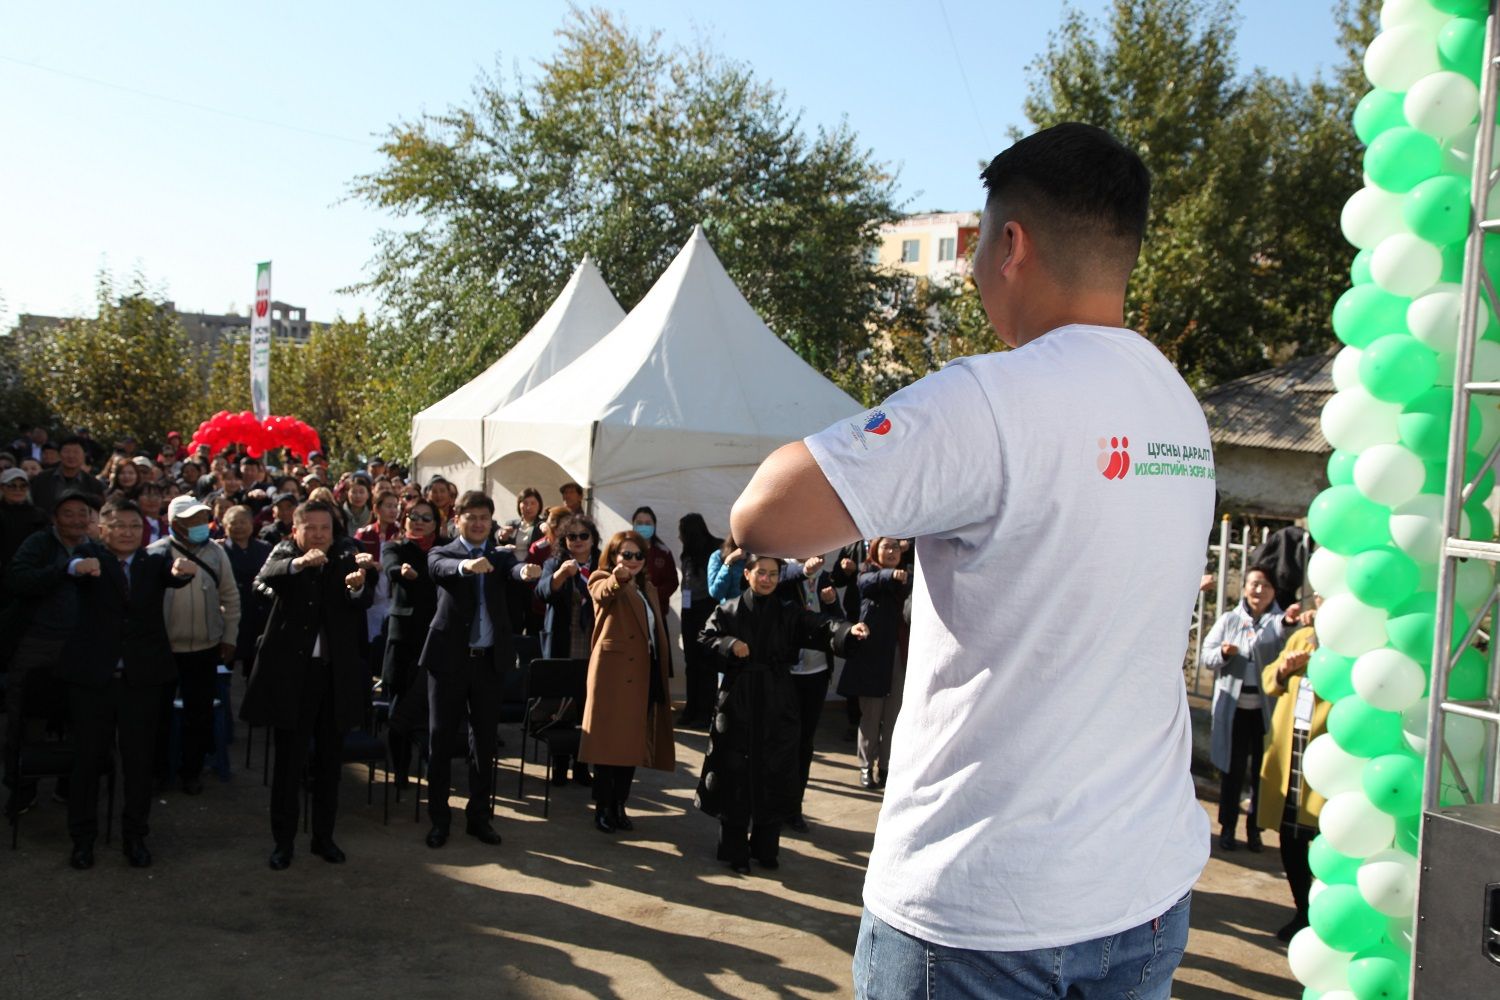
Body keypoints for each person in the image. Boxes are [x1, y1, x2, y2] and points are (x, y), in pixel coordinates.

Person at [728, 124, 1212, 995]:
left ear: (1012, 244)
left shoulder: (992, 397)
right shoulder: (1176, 407)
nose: (975, 265)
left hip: (983, 913)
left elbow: (761, 516)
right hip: (1143, 891)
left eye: (978, 242)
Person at [697, 554, 866, 873]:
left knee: (773, 770)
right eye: (761, 573)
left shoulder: (788, 612)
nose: (767, 580)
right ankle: (734, 850)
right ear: (747, 574)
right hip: (739, 699)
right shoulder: (728, 609)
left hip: (777, 698)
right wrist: (730, 644)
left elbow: (820, 626)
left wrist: (847, 631)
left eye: (773, 574)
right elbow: (704, 638)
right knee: (735, 772)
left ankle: (765, 848)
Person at [60, 499, 197, 870]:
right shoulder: (90, 558)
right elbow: (65, 568)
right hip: (94, 680)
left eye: (134, 526)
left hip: (143, 680)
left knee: (138, 764)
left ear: (144, 531)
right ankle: (82, 840)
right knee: (88, 761)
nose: (126, 532)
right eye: (118, 525)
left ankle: (135, 837)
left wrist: (182, 570)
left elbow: (174, 574)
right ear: (101, 529)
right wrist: (76, 565)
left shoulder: (153, 563)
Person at [240, 500, 375, 869]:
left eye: (325, 529)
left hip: (333, 675)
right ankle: (283, 843)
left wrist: (357, 586)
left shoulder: (348, 555)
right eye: (311, 529)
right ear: (295, 531)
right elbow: (266, 579)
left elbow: (364, 597)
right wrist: (299, 564)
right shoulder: (285, 557)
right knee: (289, 764)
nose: (318, 535)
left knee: (330, 764)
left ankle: (323, 838)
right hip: (292, 678)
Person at [419, 490, 541, 849]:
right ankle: (440, 819)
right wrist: (465, 567)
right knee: (441, 740)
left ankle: (479, 817)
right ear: (457, 520)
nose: (477, 523)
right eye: (470, 517)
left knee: (484, 742)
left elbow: (514, 569)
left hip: (489, 663)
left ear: (491, 522)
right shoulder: (443, 552)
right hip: (449, 662)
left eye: (484, 518)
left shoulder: (498, 557)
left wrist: (526, 571)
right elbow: (439, 569)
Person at [2, 490, 100, 817]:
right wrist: (65, 570)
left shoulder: (97, 548)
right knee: (25, 718)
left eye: (82, 513)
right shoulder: (38, 543)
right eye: (68, 513)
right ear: (55, 517)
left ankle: (68, 784)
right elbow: (18, 579)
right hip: (37, 642)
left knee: (77, 717)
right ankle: (21, 787)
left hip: (81, 644)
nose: (76, 519)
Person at [580, 530, 676, 834]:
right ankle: (603, 808)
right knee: (609, 748)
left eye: (638, 555)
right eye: (626, 555)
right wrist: (617, 578)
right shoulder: (603, 578)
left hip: (643, 677)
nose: (632, 561)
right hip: (613, 677)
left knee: (630, 747)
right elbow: (600, 593)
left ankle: (619, 805)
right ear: (614, 557)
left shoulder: (647, 586)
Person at [1202, 564, 1299, 852]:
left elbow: (1287, 634)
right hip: (1233, 711)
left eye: (1266, 586)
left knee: (1262, 772)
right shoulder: (1230, 620)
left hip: (1266, 713)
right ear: (1245, 587)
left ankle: (1255, 831)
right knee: (1232, 771)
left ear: (1273, 592)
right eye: (1255, 584)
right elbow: (1206, 655)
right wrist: (1223, 653)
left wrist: (1291, 623)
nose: (1259, 591)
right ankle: (1228, 828)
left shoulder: (1280, 623)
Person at [149, 494, 241, 796]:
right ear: (174, 524)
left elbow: (230, 596)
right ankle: (160, 771)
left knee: (198, 713)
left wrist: (229, 637)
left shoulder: (215, 552)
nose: (201, 524)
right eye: (192, 521)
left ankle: (192, 770)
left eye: (203, 518)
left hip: (205, 647)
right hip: (164, 649)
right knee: (159, 714)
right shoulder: (156, 553)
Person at [1257, 598, 1324, 943]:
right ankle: (1302, 910)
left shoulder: (1355, 649)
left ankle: (1327, 913)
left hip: (1325, 761)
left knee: (1323, 840)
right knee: (1290, 838)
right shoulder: (1303, 636)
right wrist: (1285, 668)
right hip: (1290, 752)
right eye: (1321, 599)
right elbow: (1270, 678)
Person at [837, 537, 912, 790]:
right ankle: (865, 766)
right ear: (874, 551)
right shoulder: (868, 573)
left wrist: (899, 577)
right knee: (871, 715)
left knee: (893, 716)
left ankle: (887, 766)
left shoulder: (907, 577)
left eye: (894, 547)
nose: (891, 551)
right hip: (871, 655)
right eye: (885, 547)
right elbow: (865, 583)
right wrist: (890, 575)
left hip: (898, 654)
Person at [535, 512, 601, 786]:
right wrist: (561, 575)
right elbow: (541, 592)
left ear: (592, 539)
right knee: (562, 707)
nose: (577, 541)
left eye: (583, 536)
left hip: (592, 643)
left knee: (588, 707)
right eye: (571, 536)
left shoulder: (602, 564)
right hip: (563, 641)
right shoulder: (555, 563)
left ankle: (583, 766)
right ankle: (560, 765)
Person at [381, 498, 441, 788]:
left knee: (434, 706)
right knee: (400, 705)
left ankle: (433, 766)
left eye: (426, 518)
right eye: (413, 516)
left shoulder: (444, 549)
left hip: (436, 637)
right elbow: (391, 567)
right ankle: (401, 769)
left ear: (436, 523)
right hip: (403, 640)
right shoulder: (396, 547)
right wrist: (402, 572)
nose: (418, 521)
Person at [675, 513, 722, 727]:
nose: (679, 536)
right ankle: (691, 709)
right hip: (689, 610)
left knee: (707, 662)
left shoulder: (714, 551)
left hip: (707, 609)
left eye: (682, 532)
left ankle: (705, 712)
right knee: (691, 662)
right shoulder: (687, 554)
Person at [219, 505, 272, 677]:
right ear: (225, 525)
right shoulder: (218, 550)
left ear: (251, 523)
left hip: (258, 614)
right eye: (234, 523)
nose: (239, 526)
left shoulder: (264, 548)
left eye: (243, 522)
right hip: (230, 615)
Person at [29, 436, 104, 512]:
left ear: (84, 455)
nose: (71, 456)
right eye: (66, 451)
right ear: (59, 454)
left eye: (76, 452)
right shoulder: (41, 479)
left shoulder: (93, 484)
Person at [629, 506, 679, 612]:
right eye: (639, 523)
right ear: (633, 525)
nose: (643, 526)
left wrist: (653, 595)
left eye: (647, 523)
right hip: (629, 610)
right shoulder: (623, 550)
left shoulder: (663, 552)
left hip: (656, 611)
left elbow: (672, 582)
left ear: (654, 526)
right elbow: (613, 581)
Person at [0, 466, 48, 567]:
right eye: (12, 486)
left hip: (31, 568)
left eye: (23, 486)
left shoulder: (39, 515)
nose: (18, 490)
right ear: (2, 488)